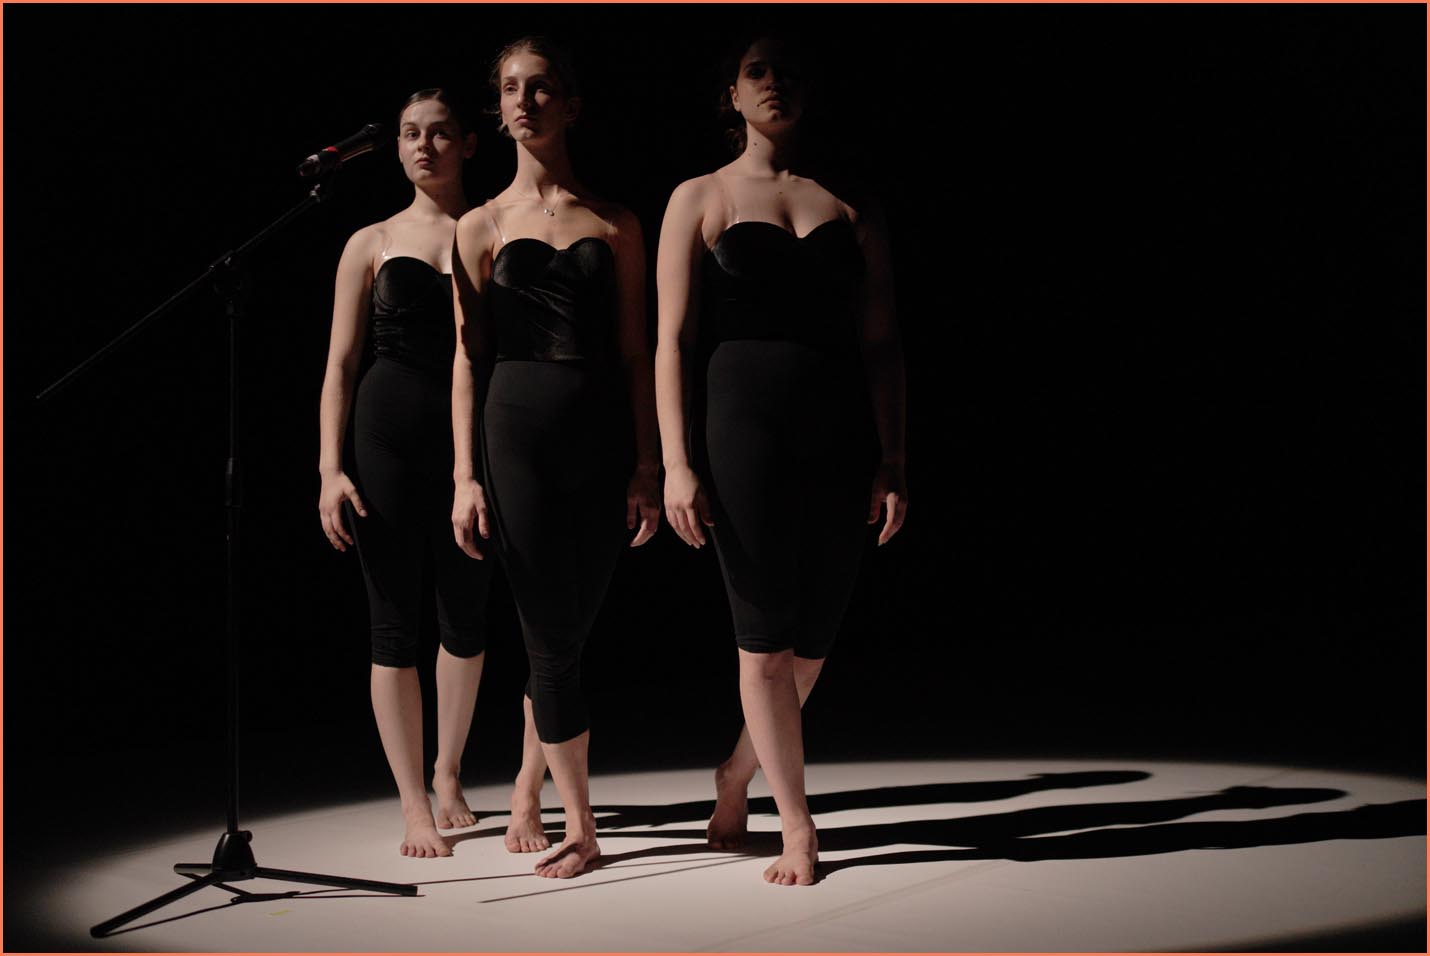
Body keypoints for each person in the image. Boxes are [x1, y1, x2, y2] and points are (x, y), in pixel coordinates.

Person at [654, 36, 909, 886]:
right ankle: (797, 824)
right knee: (763, 643)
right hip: (742, 432)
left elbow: (882, 345)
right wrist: (676, 463)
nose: (775, 84)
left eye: (789, 71)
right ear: (731, 93)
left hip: (838, 432)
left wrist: (894, 457)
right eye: (757, 71)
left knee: (812, 648)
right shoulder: (701, 195)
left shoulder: (851, 203)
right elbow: (671, 341)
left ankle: (736, 771)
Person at [451, 36, 661, 879]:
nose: (525, 100)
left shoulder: (617, 222)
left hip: (600, 436)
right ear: (497, 108)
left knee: (566, 635)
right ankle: (583, 824)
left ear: (571, 105)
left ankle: (527, 782)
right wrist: (464, 476)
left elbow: (639, 353)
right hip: (515, 435)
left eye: (541, 88)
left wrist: (648, 465)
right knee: (547, 631)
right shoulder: (479, 224)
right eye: (511, 88)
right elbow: (468, 358)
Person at [318, 89, 499, 858]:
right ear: (395, 146)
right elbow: (341, 362)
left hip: (474, 437)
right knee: (392, 621)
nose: (423, 146)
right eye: (409, 134)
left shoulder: (495, 226)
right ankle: (413, 803)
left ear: (468, 144)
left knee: (465, 614)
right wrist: (329, 468)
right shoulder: (372, 240)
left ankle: (449, 771)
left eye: (440, 133)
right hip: (386, 434)